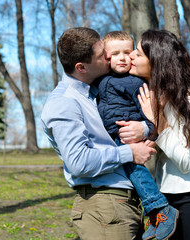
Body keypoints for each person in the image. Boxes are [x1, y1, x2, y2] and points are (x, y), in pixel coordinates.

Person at [41, 27, 157, 240]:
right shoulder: (64, 103)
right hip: (105, 205)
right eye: (102, 55)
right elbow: (78, 162)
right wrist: (129, 153)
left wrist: (145, 129)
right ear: (81, 67)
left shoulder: (97, 92)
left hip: (124, 203)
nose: (109, 56)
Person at [127, 29, 190, 240]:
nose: (131, 57)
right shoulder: (150, 95)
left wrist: (158, 123)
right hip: (166, 202)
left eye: (138, 53)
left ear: (156, 60)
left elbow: (186, 162)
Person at [97, 31, 178, 240]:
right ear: (105, 57)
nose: (122, 57)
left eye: (127, 52)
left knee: (137, 173)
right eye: (115, 54)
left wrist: (146, 130)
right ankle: (152, 216)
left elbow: (152, 117)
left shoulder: (135, 83)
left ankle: (160, 208)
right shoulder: (102, 80)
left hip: (127, 135)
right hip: (113, 136)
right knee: (131, 176)